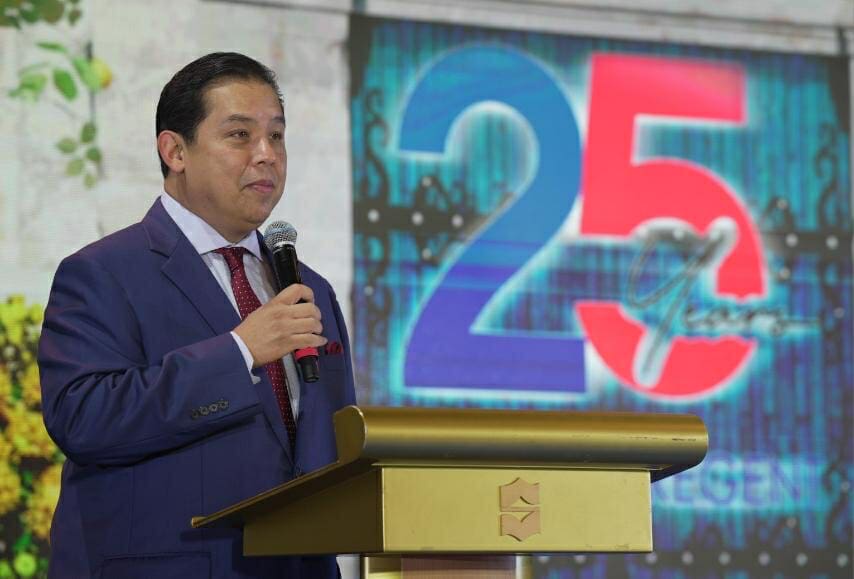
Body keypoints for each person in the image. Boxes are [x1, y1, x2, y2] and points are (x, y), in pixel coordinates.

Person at [38, 52, 356, 579]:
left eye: (277, 136)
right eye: (240, 135)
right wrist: (240, 352)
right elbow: (83, 418)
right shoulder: (101, 272)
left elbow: (329, 444)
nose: (267, 155)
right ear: (175, 151)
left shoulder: (307, 287)